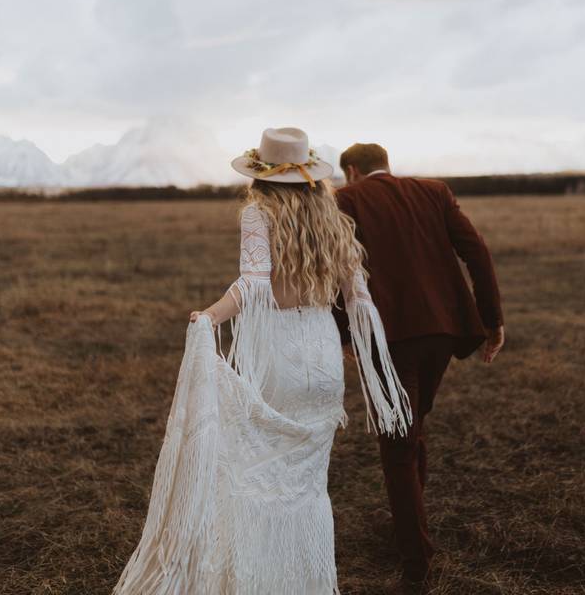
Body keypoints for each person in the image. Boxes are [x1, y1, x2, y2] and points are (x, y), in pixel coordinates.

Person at [112, 127, 411, 595]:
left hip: (277, 352)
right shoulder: (332, 216)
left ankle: (257, 581)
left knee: (258, 478)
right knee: (308, 486)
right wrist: (379, 373)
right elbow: (359, 297)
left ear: (260, 174)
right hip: (322, 354)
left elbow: (253, 283)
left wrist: (210, 316)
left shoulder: (258, 213)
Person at [335, 142, 504, 590]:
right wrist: (492, 319)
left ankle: (416, 565)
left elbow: (335, 267)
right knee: (413, 429)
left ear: (351, 170)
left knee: (397, 447)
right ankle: (411, 528)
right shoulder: (434, 191)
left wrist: (343, 330)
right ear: (385, 164)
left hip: (388, 337)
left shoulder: (345, 199)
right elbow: (477, 252)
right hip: (444, 331)